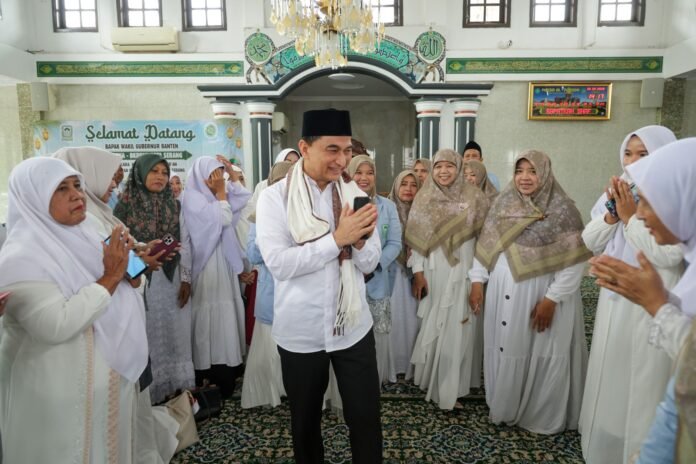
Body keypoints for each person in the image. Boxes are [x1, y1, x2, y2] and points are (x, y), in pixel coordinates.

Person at [0, 157, 148, 463]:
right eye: (61, 189)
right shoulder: (19, 257)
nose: (77, 195)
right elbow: (57, 325)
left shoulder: (89, 229)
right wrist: (111, 276)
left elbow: (130, 273)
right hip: (59, 392)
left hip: (109, 381)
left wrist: (133, 274)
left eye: (77, 185)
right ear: (33, 197)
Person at [256, 109, 382, 464]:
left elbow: (370, 263)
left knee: (366, 419)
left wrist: (359, 243)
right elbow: (280, 264)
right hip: (301, 331)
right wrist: (337, 239)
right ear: (304, 148)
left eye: (347, 150)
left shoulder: (355, 195)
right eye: (332, 150)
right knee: (305, 423)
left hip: (353, 327)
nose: (342, 160)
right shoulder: (275, 198)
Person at [52, 146, 180, 463]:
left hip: (120, 318)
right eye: (108, 176)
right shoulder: (84, 221)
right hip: (101, 325)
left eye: (78, 185)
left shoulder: (97, 214)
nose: (113, 183)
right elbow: (111, 266)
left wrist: (141, 253)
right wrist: (139, 264)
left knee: (127, 414)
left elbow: (122, 255)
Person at [587, 138, 696, 462]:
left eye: (652, 202)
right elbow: (590, 238)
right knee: (615, 377)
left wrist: (659, 306)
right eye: (628, 152)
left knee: (644, 385)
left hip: (653, 300)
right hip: (639, 296)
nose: (642, 213)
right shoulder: (619, 194)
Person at [469, 149, 591, 434]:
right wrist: (476, 281)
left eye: (532, 171)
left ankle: (537, 412)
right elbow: (486, 246)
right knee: (503, 345)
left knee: (539, 348)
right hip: (501, 288)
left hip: (541, 293)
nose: (524, 177)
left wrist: (552, 299)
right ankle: (505, 404)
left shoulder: (563, 210)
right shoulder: (504, 204)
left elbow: (573, 262)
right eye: (519, 171)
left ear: (545, 173)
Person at [406, 148, 489, 410]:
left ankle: (450, 388)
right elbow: (416, 241)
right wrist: (418, 272)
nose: (443, 171)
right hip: (434, 269)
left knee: (460, 323)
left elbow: (484, 242)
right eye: (438, 166)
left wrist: (478, 280)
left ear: (459, 168)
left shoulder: (475, 197)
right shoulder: (424, 197)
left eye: (449, 166)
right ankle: (432, 380)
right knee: (435, 320)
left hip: (465, 268)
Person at [114, 154, 195, 404]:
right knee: (146, 333)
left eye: (164, 172)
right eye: (154, 171)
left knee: (175, 333)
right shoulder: (124, 207)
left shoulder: (174, 205)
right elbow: (117, 250)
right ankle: (151, 395)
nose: (160, 177)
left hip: (170, 277)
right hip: (138, 282)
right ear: (140, 173)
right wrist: (142, 259)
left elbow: (183, 241)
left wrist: (186, 279)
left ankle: (177, 390)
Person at [182, 156, 252, 399]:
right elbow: (223, 218)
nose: (218, 179)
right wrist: (222, 193)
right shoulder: (192, 198)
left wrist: (231, 174)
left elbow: (242, 198)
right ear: (201, 176)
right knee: (208, 318)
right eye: (213, 175)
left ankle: (228, 372)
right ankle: (207, 372)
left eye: (219, 174)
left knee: (226, 317)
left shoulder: (215, 197)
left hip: (223, 263)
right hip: (207, 267)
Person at [241, 161, 292, 409]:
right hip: (271, 292)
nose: (283, 187)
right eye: (278, 182)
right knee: (270, 351)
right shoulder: (259, 214)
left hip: (297, 293)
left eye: (289, 181)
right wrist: (270, 237)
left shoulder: (307, 212)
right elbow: (252, 254)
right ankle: (272, 392)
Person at [348, 154, 402, 384]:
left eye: (369, 173)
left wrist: (375, 265)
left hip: (378, 280)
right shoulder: (341, 204)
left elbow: (395, 243)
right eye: (358, 172)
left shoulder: (387, 206)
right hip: (349, 280)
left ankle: (375, 380)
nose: (364, 178)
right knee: (350, 336)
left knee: (378, 334)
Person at [387, 169, 421, 381]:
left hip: (415, 276)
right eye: (404, 184)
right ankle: (392, 365)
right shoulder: (386, 209)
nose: (408, 189)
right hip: (391, 275)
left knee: (412, 320)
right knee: (393, 320)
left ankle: (409, 365)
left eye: (413, 184)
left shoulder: (424, 212)